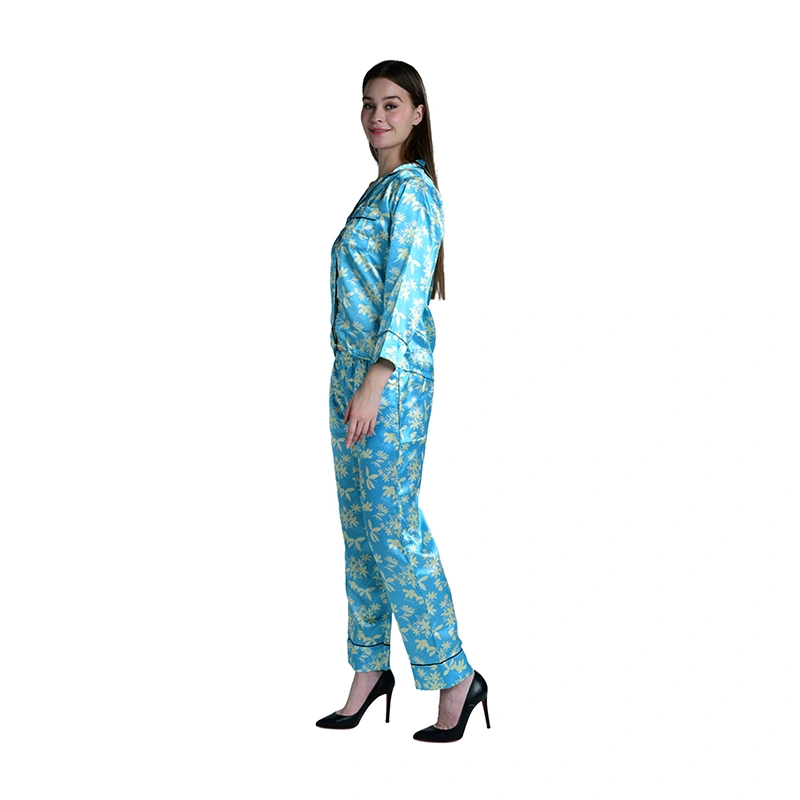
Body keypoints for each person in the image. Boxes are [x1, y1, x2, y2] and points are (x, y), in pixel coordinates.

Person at [315, 60, 489, 743]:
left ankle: (455, 677)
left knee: (394, 529)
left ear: (417, 113)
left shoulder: (414, 193)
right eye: (368, 104)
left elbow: (407, 293)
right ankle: (368, 670)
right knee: (361, 530)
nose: (377, 116)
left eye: (391, 104)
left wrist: (376, 377)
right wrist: (352, 378)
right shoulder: (376, 193)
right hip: (351, 379)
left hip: (388, 383)